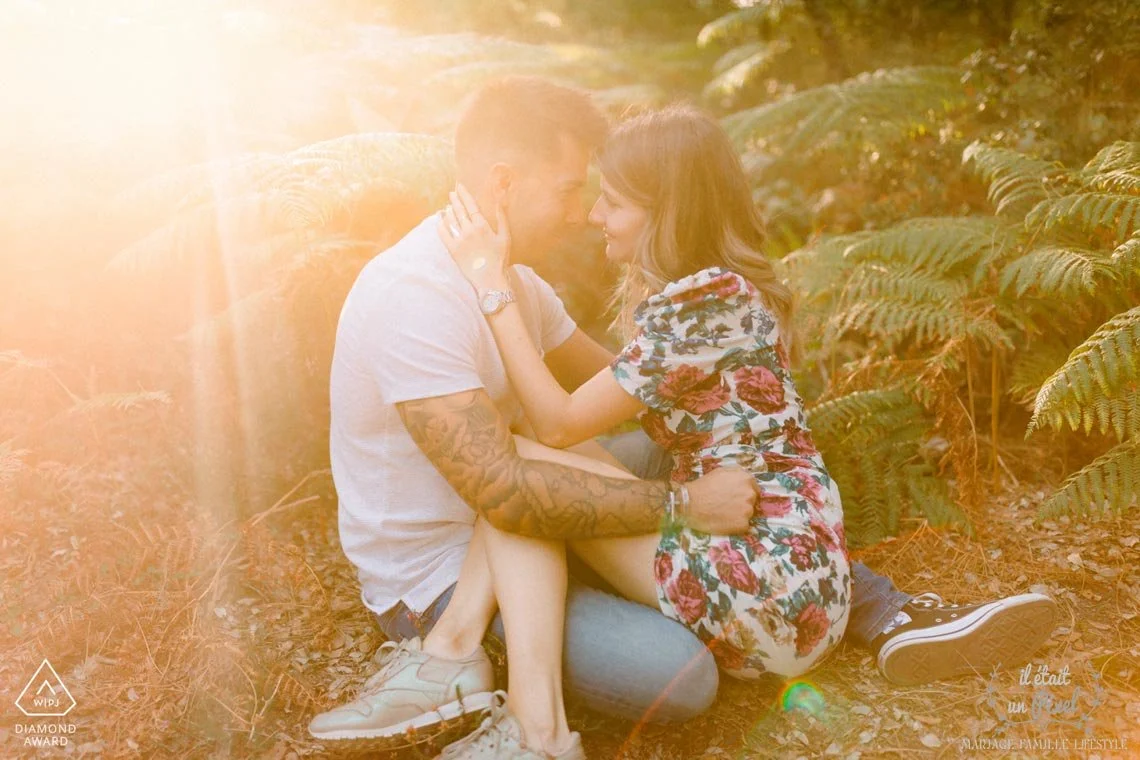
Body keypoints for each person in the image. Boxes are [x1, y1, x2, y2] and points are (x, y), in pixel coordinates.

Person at [312, 77, 1057, 756]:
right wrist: (685, 503)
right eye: (575, 190)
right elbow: (511, 486)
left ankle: (844, 601)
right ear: (502, 185)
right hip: (439, 568)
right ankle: (447, 651)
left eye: (604, 197)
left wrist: (691, 426)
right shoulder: (414, 296)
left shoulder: (522, 283)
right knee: (679, 674)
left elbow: (603, 394)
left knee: (593, 447)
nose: (586, 214)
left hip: (541, 503)